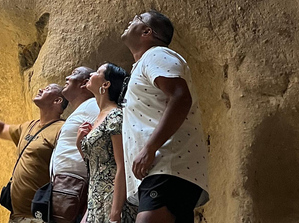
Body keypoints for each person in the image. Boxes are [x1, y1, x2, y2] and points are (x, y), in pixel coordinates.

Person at [120, 11, 209, 223]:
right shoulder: (145, 62)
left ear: (147, 32)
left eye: (137, 19)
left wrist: (150, 148)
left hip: (166, 163)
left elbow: (180, 97)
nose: (130, 20)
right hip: (165, 168)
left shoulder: (156, 55)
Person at [0, 84, 67, 223]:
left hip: (39, 218)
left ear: (57, 101)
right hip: (16, 216)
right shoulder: (29, 126)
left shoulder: (62, 129)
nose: (40, 89)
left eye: (47, 89)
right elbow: (1, 129)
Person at [77, 63, 136, 223]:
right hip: (95, 200)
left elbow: (122, 165)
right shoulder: (98, 118)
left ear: (106, 84)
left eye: (97, 72)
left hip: (112, 198)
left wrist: (115, 213)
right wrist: (79, 143)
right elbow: (95, 165)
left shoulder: (115, 116)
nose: (91, 75)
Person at [48, 67, 99, 223]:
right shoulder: (82, 109)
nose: (67, 77)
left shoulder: (93, 106)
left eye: (74, 74)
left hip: (76, 186)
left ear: (84, 83)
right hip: (67, 185)